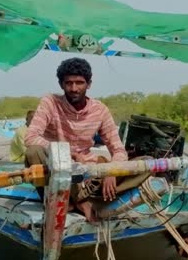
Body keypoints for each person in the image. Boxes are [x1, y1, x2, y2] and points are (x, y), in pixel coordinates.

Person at [23, 57, 147, 221]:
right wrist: (68, 153)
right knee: (33, 152)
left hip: (90, 174)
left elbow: (117, 149)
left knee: (148, 162)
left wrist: (112, 170)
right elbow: (31, 137)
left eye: (79, 83)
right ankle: (82, 201)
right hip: (58, 172)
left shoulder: (100, 110)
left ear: (89, 84)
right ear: (61, 84)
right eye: (68, 83)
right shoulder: (50, 102)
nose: (74, 88)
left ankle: (81, 199)